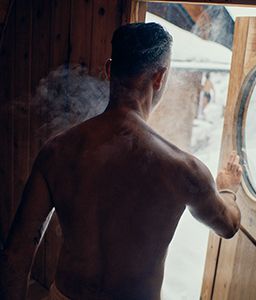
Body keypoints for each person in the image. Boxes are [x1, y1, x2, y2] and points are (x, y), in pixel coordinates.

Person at [0, 23, 242, 300]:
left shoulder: (57, 151)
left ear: (109, 70)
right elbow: (229, 226)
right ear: (160, 77)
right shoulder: (184, 169)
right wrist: (228, 189)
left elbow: (16, 255)